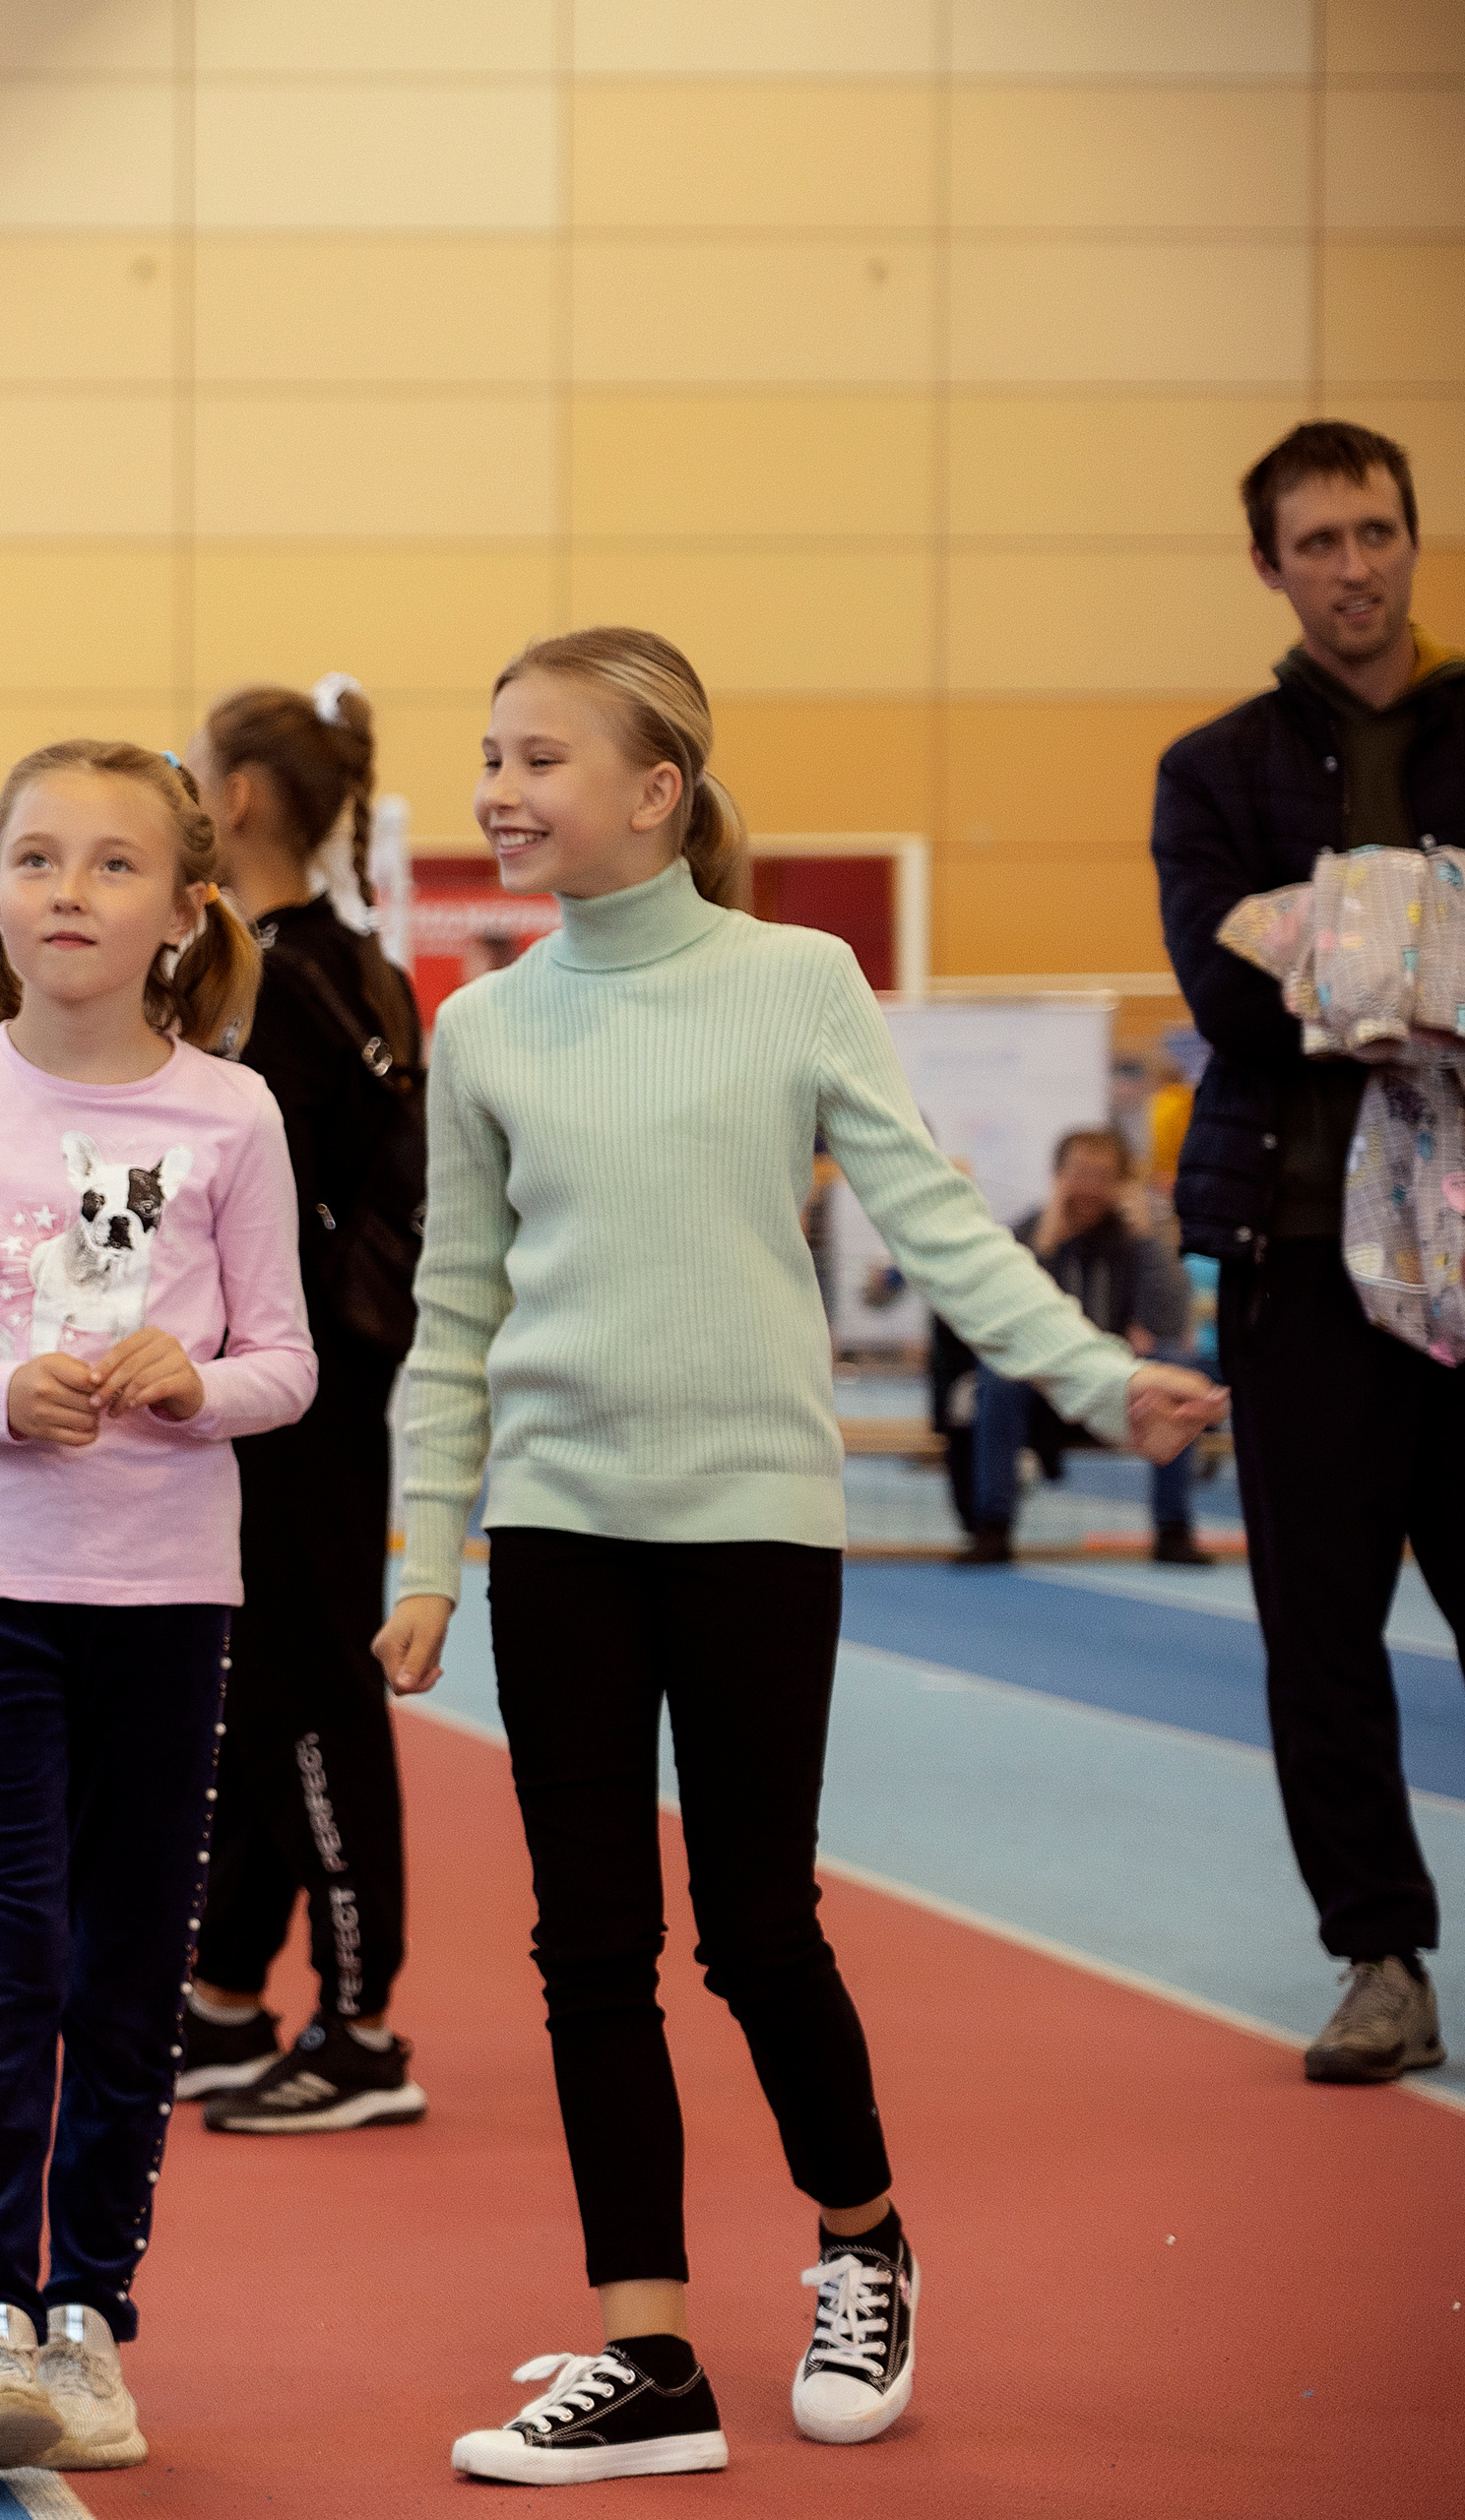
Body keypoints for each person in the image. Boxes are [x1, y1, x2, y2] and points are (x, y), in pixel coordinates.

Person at [373, 628, 1226, 2485]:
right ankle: (648, 2354)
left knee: (758, 1930)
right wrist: (427, 1556)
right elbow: (458, 1308)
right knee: (586, 1948)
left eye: (538, 758)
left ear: (658, 791)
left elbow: (939, 1226)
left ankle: (863, 2245)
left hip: (757, 1526)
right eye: (489, 756)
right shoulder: (485, 1024)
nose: (499, 790)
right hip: (560, 1535)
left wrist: (1097, 1373)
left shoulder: (800, 981)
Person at [0, 739, 315, 2476]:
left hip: (163, 1589)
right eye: (36, 859)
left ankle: (92, 2314)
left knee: (127, 1963)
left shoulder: (232, 1113)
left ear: (185, 911)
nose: (69, 893)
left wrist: (197, 1380)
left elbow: (290, 1364)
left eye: (114, 866)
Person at [1153, 417, 1465, 2087]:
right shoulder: (1214, 772)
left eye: (1379, 531)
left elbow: (1299, 965)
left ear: (1416, 538)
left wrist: (1337, 937)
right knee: (1321, 1637)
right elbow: (1229, 997)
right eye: (1320, 541)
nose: (1356, 565)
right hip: (1303, 1256)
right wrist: (1432, 944)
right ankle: (1380, 1957)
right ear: (1270, 565)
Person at [175, 673, 428, 2132]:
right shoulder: (342, 962)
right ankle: (219, 1993)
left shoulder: (278, 981)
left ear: (243, 799)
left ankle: (364, 2024)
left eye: (192, 770)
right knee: (259, 1691)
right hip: (297, 1384)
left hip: (305, 1393)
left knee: (314, 1686)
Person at [960, 1124, 1206, 1567]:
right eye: (1080, 1174)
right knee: (997, 1374)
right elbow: (1005, 1321)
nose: (1090, 1188)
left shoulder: (1134, 1243)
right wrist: (1046, 1243)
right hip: (1044, 1394)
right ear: (1058, 1177)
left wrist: (1147, 1237)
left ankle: (1174, 1530)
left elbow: (1166, 1320)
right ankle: (992, 1527)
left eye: (1103, 1176)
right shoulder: (1027, 1236)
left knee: (1175, 1364)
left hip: (1119, 1393)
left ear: (1120, 1186)